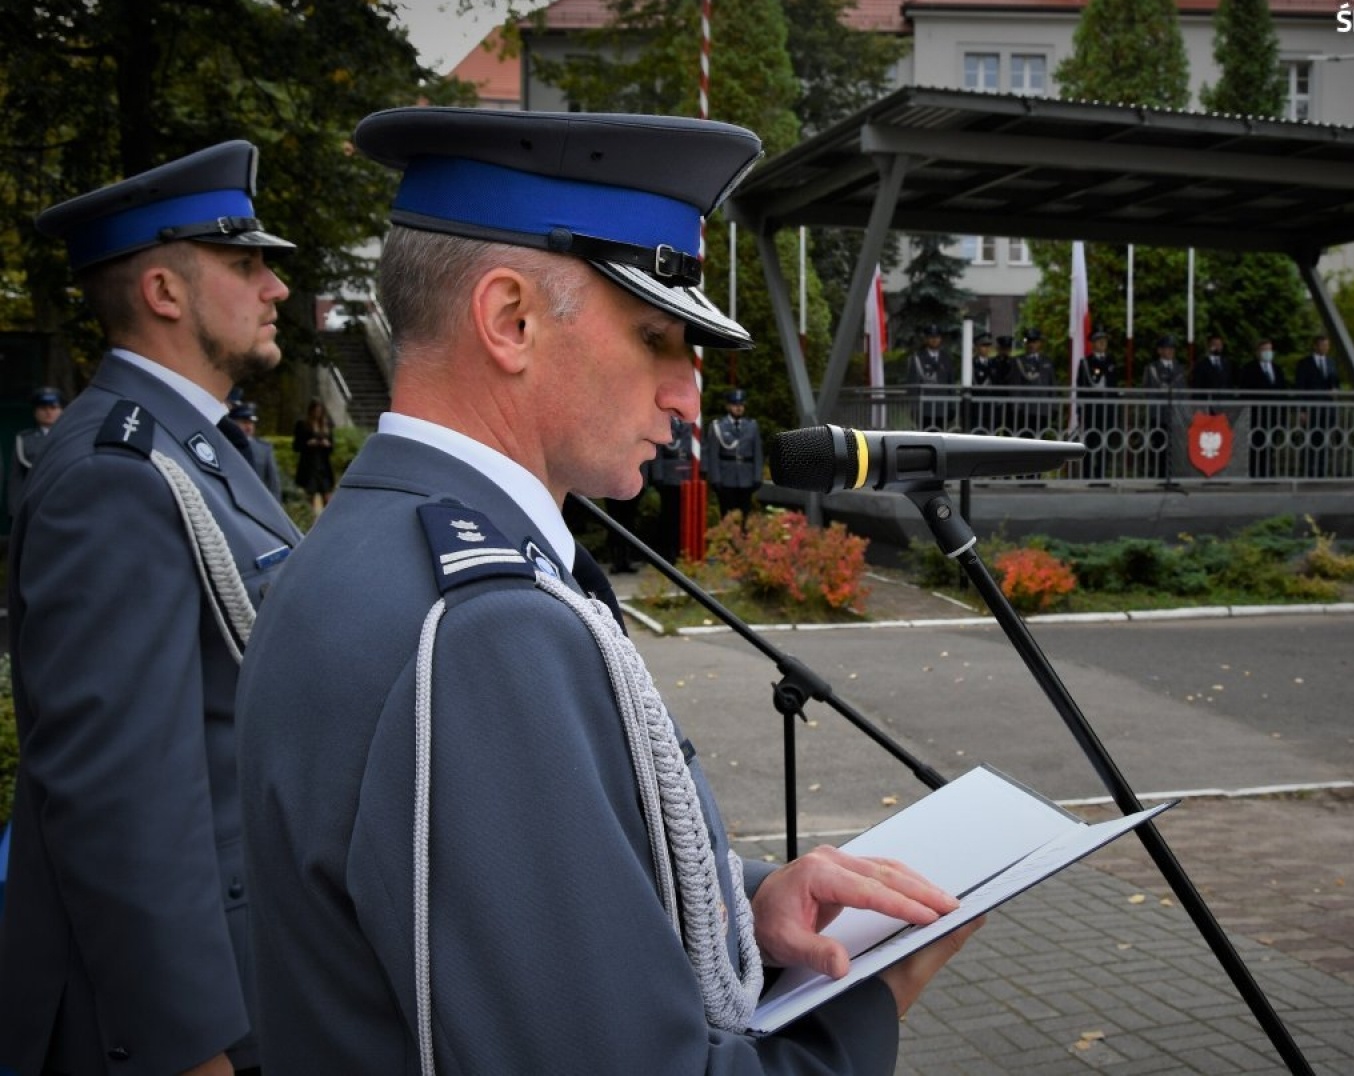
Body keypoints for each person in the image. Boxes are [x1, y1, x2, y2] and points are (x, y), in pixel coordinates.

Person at [233, 107, 977, 1073]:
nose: (688, 393)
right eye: (658, 336)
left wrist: (742, 905)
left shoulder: (383, 548)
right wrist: (867, 1003)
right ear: (510, 321)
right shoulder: (479, 631)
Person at [0, 141, 300, 1075]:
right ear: (166, 293)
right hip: (177, 1014)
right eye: (246, 264)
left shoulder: (192, 448)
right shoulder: (114, 474)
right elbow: (120, 803)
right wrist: (190, 1049)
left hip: (247, 968)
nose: (275, 287)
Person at [703, 387, 763, 520]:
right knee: (727, 517)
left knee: (745, 517)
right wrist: (716, 479)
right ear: (728, 406)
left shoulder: (752, 426)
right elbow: (713, 455)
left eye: (741, 404)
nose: (739, 408)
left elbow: (757, 454)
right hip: (726, 478)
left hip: (746, 478)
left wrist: (757, 477)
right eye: (735, 405)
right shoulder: (718, 426)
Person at [5, 387, 64, 517]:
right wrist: (15, 512)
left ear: (62, 410)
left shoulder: (70, 437)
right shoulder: (25, 439)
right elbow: (16, 479)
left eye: (53, 407)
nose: (48, 412)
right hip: (34, 507)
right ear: (35, 411)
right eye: (43, 408)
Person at [649, 414, 697, 563]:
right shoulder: (663, 421)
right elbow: (657, 452)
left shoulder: (690, 423)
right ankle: (667, 552)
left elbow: (699, 448)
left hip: (687, 476)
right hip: (668, 477)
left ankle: (681, 551)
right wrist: (658, 476)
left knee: (684, 517)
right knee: (668, 517)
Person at [1238, 337, 1287, 478]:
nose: (1268, 352)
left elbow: (1282, 390)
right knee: (1256, 444)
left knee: (1270, 444)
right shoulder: (1249, 369)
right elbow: (1245, 390)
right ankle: (1255, 473)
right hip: (1257, 414)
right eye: (1265, 350)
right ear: (1258, 351)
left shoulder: (1277, 369)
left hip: (1273, 414)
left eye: (1270, 349)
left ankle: (1268, 473)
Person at [1294, 333, 1342, 478]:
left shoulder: (1331, 362)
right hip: (1311, 408)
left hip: (1327, 408)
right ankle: (1309, 470)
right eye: (1322, 345)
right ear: (1315, 346)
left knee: (1325, 440)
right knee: (1311, 440)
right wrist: (1301, 409)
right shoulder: (1305, 363)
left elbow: (1335, 382)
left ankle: (1321, 471)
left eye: (1327, 345)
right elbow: (1300, 386)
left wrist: (1336, 390)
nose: (1325, 348)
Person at [1140, 335, 1186, 480]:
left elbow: (1183, 391)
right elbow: (1148, 391)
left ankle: (1172, 475)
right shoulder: (1152, 368)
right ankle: (1159, 475)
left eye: (1172, 348)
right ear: (1160, 350)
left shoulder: (1179, 368)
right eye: (1167, 348)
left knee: (1175, 446)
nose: (1170, 351)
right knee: (1159, 445)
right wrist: (1154, 411)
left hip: (1176, 414)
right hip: (1159, 414)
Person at [1075, 330, 1117, 480]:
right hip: (1091, 410)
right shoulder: (1086, 362)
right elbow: (1080, 387)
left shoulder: (1111, 361)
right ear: (1093, 343)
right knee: (1090, 442)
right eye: (1099, 341)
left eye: (1104, 341)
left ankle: (1101, 475)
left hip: (1107, 409)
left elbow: (1114, 386)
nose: (1102, 344)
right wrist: (1079, 411)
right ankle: (1087, 475)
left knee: (1104, 443)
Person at [228, 399, 284, 501]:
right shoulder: (225, 445)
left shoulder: (264, 449)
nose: (249, 427)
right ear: (232, 422)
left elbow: (273, 484)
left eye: (251, 423)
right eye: (244, 422)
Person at [904, 324, 955, 429]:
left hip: (942, 409)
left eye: (937, 337)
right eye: (931, 337)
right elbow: (912, 385)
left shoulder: (946, 359)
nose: (934, 340)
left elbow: (951, 384)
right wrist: (913, 408)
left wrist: (952, 407)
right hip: (924, 409)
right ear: (926, 339)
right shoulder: (917, 358)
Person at [291, 397, 336, 514]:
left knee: (328, 496)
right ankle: (310, 520)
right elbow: (296, 446)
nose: (318, 413)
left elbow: (332, 447)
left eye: (320, 410)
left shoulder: (327, 425)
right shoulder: (302, 424)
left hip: (323, 465)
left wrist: (326, 444)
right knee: (309, 496)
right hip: (309, 464)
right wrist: (308, 443)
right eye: (316, 410)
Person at [1015, 327, 1057, 436]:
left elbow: (1052, 384)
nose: (1032, 345)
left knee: (1040, 439)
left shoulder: (1047, 361)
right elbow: (1016, 385)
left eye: (1034, 342)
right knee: (1025, 439)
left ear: (1039, 343)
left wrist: (1053, 406)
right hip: (1026, 409)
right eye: (1029, 342)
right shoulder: (1020, 361)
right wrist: (1017, 407)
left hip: (1043, 408)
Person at [1189, 333, 1236, 412]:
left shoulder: (1227, 363)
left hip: (1225, 404)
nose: (1217, 347)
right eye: (1215, 344)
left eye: (1219, 344)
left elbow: (1230, 383)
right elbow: (1197, 385)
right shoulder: (1201, 364)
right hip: (1207, 405)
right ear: (1209, 346)